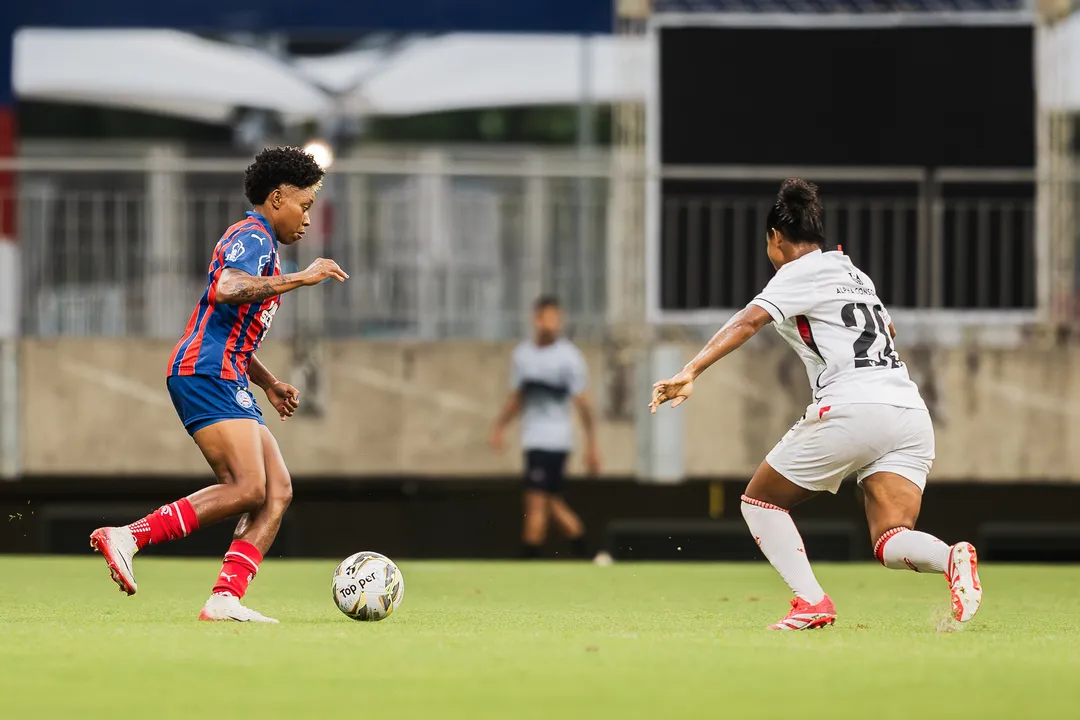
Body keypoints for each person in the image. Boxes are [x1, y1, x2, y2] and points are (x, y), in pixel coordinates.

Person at [649, 178, 981, 631]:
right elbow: (889, 331)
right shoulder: (854, 273)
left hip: (854, 406)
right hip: (907, 411)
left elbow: (748, 322)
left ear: (776, 238)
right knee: (890, 537)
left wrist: (690, 370)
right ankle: (951, 558)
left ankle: (810, 602)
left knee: (759, 502)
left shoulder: (796, 273)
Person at [90, 146, 348, 623]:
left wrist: (268, 382)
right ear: (276, 199)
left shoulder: (263, 244)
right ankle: (129, 536)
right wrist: (300, 278)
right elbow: (225, 288)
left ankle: (225, 597)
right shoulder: (253, 236)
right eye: (304, 205)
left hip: (226, 369)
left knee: (277, 492)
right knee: (249, 487)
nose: (308, 219)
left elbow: (229, 325)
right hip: (205, 371)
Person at [491, 296, 601, 559]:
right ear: (537, 319)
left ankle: (528, 560)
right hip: (532, 439)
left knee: (536, 502)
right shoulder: (523, 356)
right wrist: (500, 426)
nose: (553, 324)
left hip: (556, 440)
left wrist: (592, 446)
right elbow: (517, 399)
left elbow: (583, 404)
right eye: (548, 318)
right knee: (551, 501)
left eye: (557, 318)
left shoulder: (569, 357)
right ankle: (588, 551)